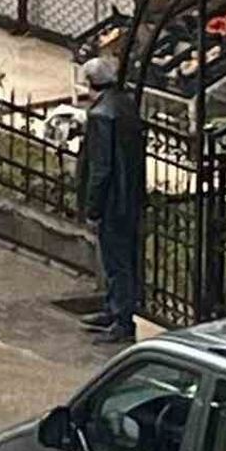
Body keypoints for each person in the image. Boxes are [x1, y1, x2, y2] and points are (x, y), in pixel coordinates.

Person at [76, 57, 145, 345]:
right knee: (123, 257)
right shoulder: (126, 104)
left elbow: (100, 167)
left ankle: (121, 319)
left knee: (116, 261)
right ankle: (114, 307)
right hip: (131, 196)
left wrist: (93, 206)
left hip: (114, 202)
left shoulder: (101, 115)